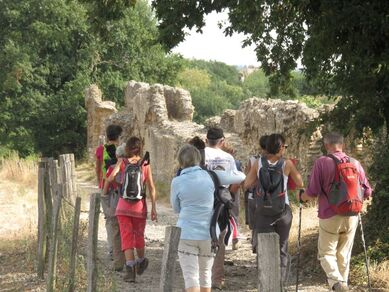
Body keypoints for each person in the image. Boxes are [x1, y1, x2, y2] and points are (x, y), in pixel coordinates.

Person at [300, 132, 372, 292]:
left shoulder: (322, 162)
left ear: (326, 146)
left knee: (326, 253)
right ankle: (342, 285)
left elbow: (312, 192)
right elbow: (367, 192)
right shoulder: (355, 163)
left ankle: (337, 283)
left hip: (329, 214)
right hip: (352, 214)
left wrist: (301, 197)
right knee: (344, 254)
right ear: (343, 145)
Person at [171, 144, 245, 292]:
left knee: (190, 276)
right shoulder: (212, 176)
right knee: (205, 274)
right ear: (199, 159)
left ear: (180, 161)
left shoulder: (177, 181)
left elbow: (176, 208)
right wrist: (229, 160)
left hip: (186, 233)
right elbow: (241, 176)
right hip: (209, 233)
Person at [244, 133, 303, 284]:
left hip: (263, 211)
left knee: (264, 247)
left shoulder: (258, 163)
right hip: (283, 211)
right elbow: (300, 183)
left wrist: (260, 182)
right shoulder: (287, 163)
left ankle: (265, 282)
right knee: (282, 247)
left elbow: (247, 184)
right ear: (281, 147)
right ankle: (280, 283)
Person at [107, 137, 158, 283]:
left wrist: (121, 184)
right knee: (139, 236)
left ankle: (130, 271)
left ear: (128, 148)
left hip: (122, 207)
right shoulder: (145, 164)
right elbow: (152, 188)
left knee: (126, 237)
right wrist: (153, 208)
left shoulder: (122, 162)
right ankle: (141, 261)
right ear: (140, 148)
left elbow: (110, 178)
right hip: (139, 208)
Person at [204, 127, 240, 290]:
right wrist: (227, 195)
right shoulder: (228, 157)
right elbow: (236, 180)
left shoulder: (200, 154)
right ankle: (216, 279)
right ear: (222, 141)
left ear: (206, 140)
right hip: (221, 201)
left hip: (202, 198)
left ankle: (201, 276)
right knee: (220, 238)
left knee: (202, 236)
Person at [95, 124, 123, 258]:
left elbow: (98, 168)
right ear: (118, 137)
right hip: (118, 187)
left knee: (108, 219)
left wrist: (99, 181)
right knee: (118, 218)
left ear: (107, 135)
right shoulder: (121, 150)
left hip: (105, 186)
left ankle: (112, 249)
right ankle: (120, 249)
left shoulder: (100, 149)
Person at [101, 143, 126, 271]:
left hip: (116, 201)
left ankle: (118, 261)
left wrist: (104, 197)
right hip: (131, 203)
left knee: (115, 232)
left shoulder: (112, 168)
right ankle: (130, 260)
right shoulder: (135, 167)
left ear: (117, 155)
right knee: (128, 232)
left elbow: (107, 183)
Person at [220, 143, 242, 250]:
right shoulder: (236, 163)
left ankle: (229, 238)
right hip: (231, 192)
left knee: (226, 214)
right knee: (233, 214)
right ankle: (234, 239)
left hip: (223, 193)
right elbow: (238, 181)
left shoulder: (220, 162)